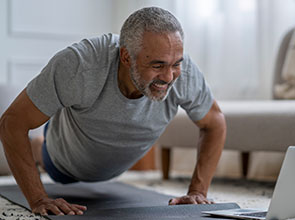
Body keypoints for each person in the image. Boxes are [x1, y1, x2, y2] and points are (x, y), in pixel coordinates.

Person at [0, 7, 226, 216]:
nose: (169, 77)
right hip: (63, 161)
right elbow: (11, 122)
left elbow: (215, 122)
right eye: (157, 66)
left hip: (114, 168)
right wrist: (38, 198)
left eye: (176, 64)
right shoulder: (80, 65)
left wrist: (198, 191)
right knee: (49, 154)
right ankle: (40, 145)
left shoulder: (185, 75)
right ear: (126, 57)